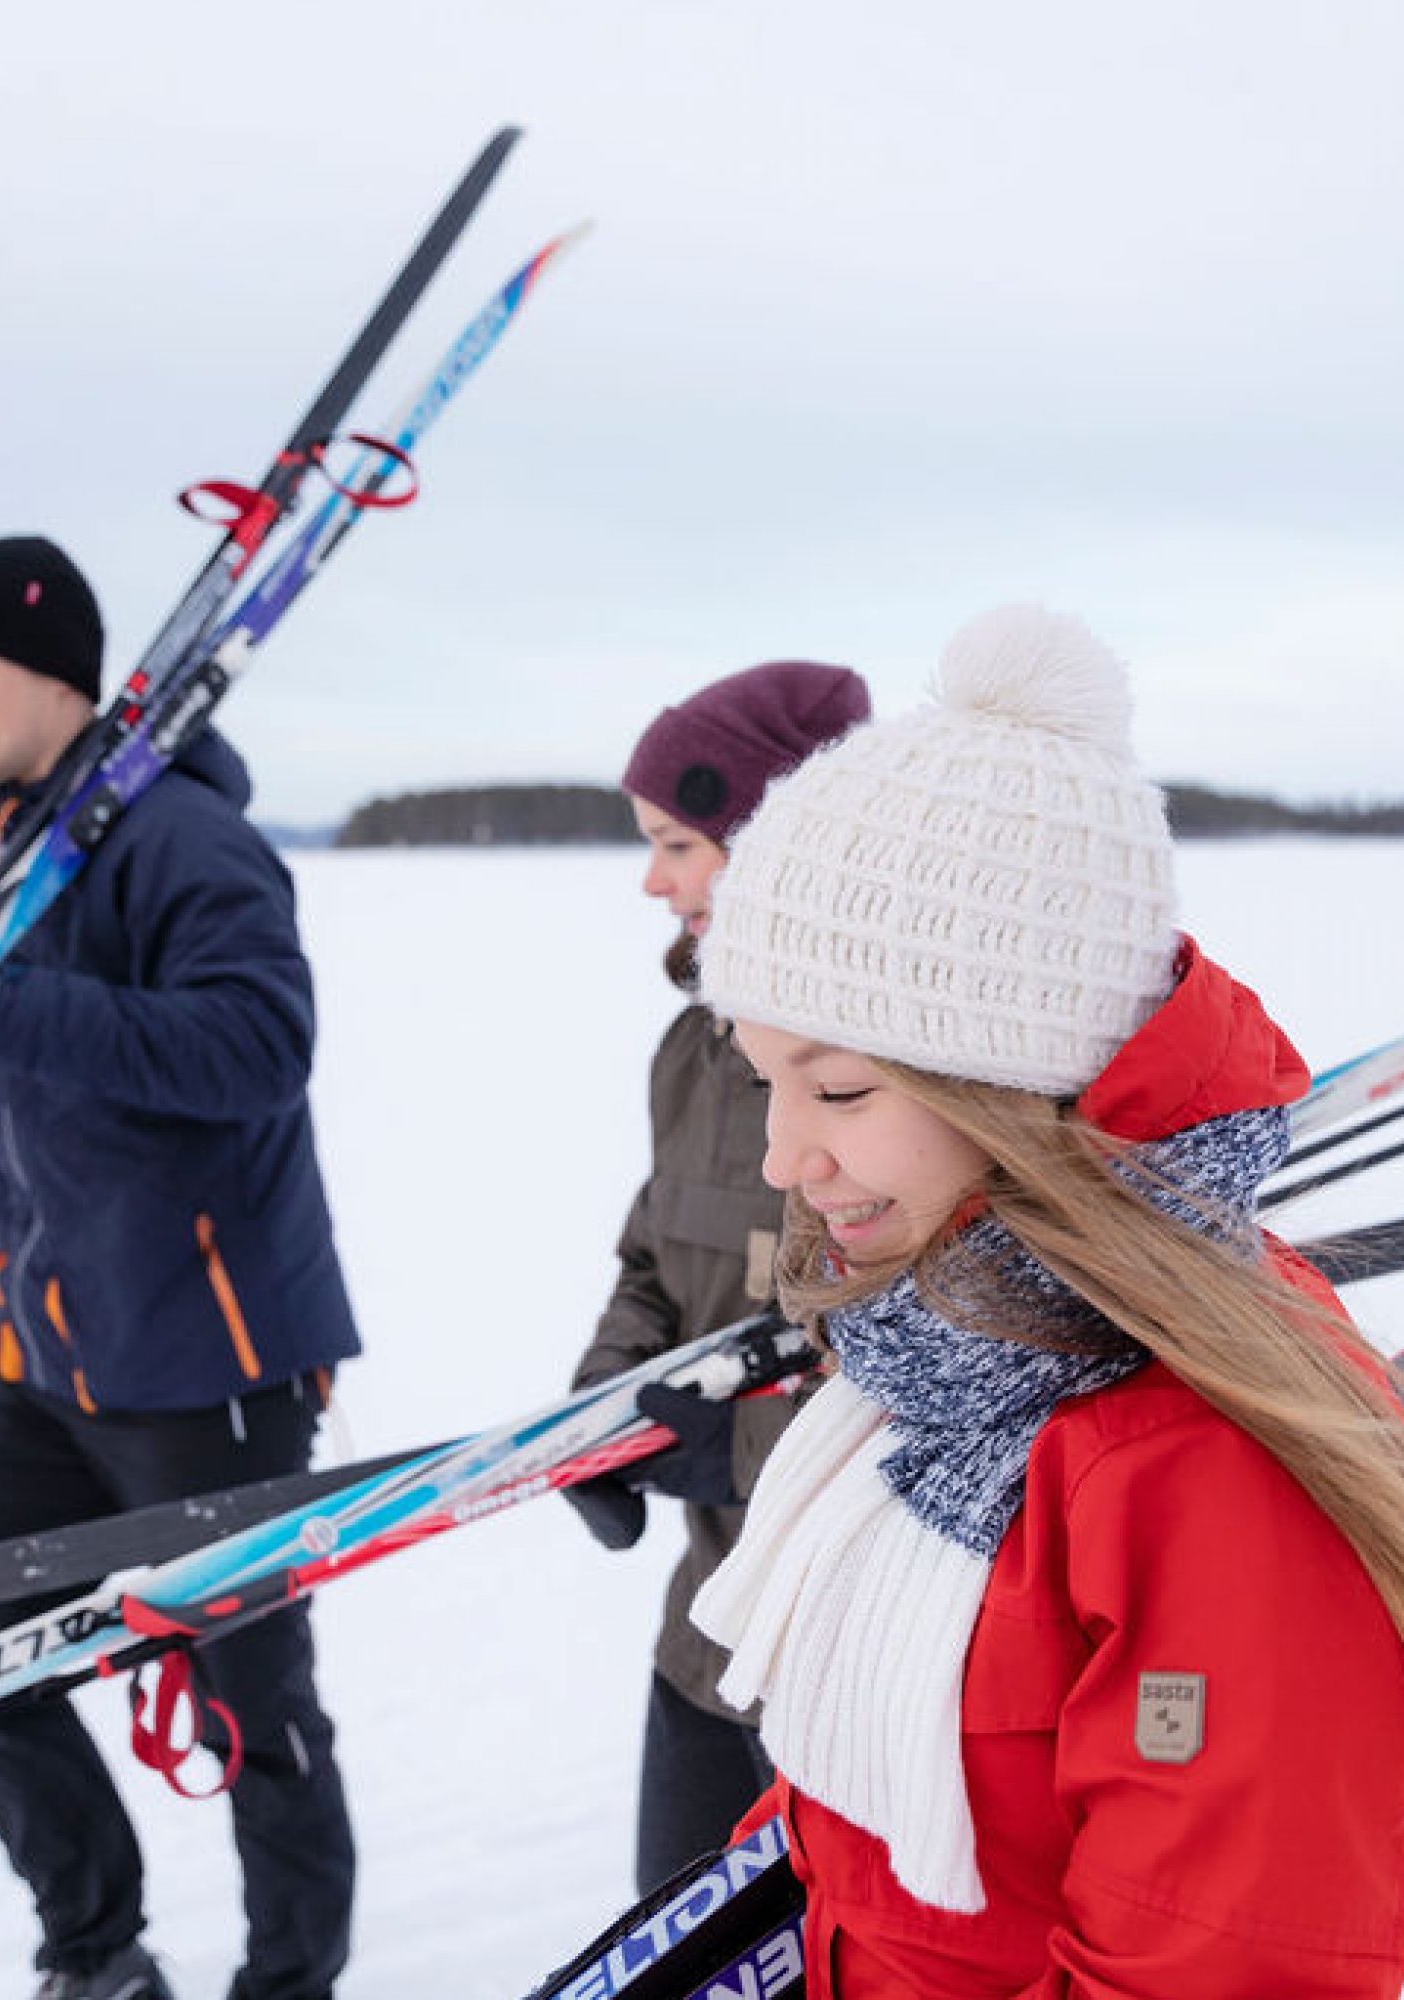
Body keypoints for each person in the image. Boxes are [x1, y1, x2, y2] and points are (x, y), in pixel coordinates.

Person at [684, 606, 1404, 1998]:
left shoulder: (1208, 1466)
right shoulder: (951, 1352)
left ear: (1018, 1092)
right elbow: (884, 1835)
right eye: (767, 1078)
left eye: (839, 1088)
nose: (782, 1156)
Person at [0, 535, 361, 2000]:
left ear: (44, 672)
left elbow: (260, 1050)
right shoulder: (29, 850)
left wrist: (2, 1005)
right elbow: (35, 1146)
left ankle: (289, 1988)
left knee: (256, 1713)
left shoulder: (184, 843)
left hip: (204, 1370)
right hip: (45, 1364)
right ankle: (99, 1960)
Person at [565, 658, 875, 1896]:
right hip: (710, 1632)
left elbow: (934, 1358)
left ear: (770, 839)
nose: (654, 879)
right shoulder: (692, 1053)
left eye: (680, 843)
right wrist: (605, 1408)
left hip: (859, 1660)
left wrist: (730, 1452)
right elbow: (652, 1250)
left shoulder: (890, 1074)